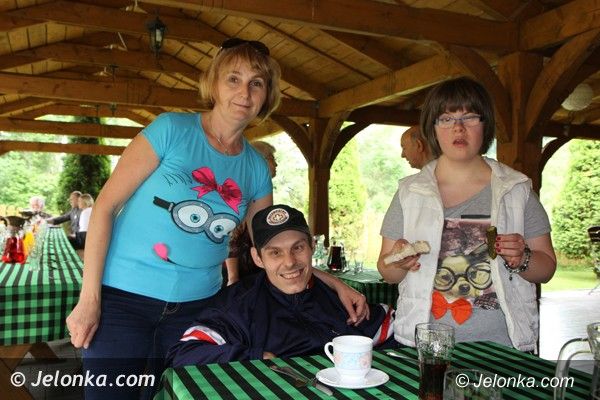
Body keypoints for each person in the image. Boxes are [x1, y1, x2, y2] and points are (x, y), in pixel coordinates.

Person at [66, 38, 368, 400]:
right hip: (122, 300)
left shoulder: (256, 168)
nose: (244, 92)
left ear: (267, 95)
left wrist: (333, 284)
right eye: (233, 79)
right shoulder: (170, 130)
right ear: (214, 85)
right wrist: (89, 299)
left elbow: (272, 247)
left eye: (257, 83)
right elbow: (104, 207)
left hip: (197, 308)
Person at [377, 77, 556, 352]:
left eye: (470, 117)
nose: (458, 128)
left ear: (486, 125)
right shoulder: (409, 192)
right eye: (446, 119)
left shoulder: (516, 190)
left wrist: (523, 258)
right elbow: (387, 271)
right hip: (426, 346)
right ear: (432, 128)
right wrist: (398, 262)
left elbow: (547, 268)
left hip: (503, 347)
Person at [166, 204, 396, 367]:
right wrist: (256, 358)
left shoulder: (339, 298)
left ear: (312, 247)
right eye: (275, 252)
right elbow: (185, 353)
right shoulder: (237, 305)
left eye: (298, 248)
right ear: (257, 258)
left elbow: (394, 329)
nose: (290, 262)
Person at [224, 140, 277, 285]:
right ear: (259, 160)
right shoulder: (243, 191)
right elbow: (231, 236)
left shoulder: (260, 192)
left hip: (253, 270)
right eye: (272, 158)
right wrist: (233, 277)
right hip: (241, 274)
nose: (276, 164)